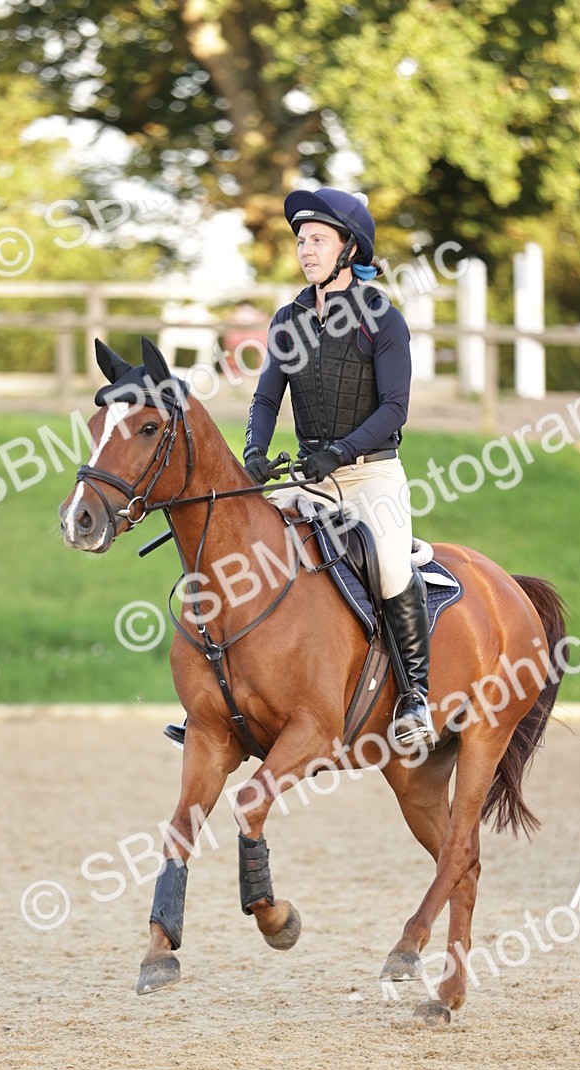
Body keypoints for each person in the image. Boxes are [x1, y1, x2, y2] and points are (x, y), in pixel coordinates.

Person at [165, 187, 437, 751]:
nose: (305, 250)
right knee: (241, 552)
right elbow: (266, 399)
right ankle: (216, 702)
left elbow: (394, 409)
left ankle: (415, 697)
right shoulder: (289, 319)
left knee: (389, 566)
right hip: (308, 479)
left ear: (348, 248)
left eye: (317, 239)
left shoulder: (383, 318)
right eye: (301, 240)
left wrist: (338, 452)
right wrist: (255, 454)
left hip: (369, 476)